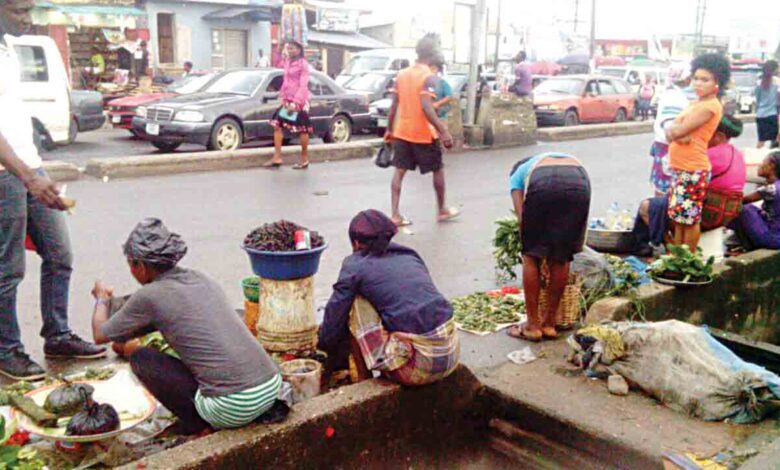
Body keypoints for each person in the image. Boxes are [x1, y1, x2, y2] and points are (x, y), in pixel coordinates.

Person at [90, 218, 281, 435]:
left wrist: (101, 299)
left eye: (131, 265)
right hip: (271, 385)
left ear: (140, 266)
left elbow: (99, 335)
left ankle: (197, 424)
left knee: (142, 358)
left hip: (234, 407)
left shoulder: (150, 295)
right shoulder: (200, 278)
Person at [0, 1, 106, 381]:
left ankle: (57, 335)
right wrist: (28, 177)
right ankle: (7, 350)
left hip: (29, 167)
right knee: (8, 268)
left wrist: (35, 168)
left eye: (30, 9)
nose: (28, 19)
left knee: (60, 254)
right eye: (19, 10)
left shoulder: (9, 48)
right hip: (6, 176)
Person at [318, 210, 459, 386]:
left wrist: (324, 346)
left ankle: (364, 380)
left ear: (356, 243)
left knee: (355, 302)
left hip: (419, 369)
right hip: (451, 353)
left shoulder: (355, 266)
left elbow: (335, 315)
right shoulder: (409, 254)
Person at [506, 152, 591, 341]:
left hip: (544, 182)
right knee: (562, 255)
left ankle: (532, 326)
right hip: (580, 180)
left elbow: (522, 219)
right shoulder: (551, 158)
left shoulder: (517, 175)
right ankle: (549, 324)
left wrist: (533, 249)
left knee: (530, 256)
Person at [634, 114, 747, 254]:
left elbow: (684, 181)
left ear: (719, 136)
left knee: (647, 207)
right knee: (663, 204)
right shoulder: (735, 153)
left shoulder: (708, 155)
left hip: (707, 211)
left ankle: (672, 250)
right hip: (725, 210)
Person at [385, 36, 457, 227]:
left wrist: (389, 130)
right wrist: (443, 131)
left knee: (399, 172)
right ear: (433, 54)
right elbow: (426, 107)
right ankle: (442, 210)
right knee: (437, 169)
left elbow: (394, 106)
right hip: (423, 133)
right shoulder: (429, 76)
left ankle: (395, 215)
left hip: (402, 131)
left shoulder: (401, 74)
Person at [664, 53, 728, 251]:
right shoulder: (696, 103)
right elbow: (670, 132)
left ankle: (688, 258)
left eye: (705, 80)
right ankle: (678, 257)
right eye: (696, 78)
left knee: (689, 219)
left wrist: (676, 132)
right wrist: (676, 133)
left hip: (693, 169)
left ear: (717, 82)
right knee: (679, 217)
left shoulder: (710, 106)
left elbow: (676, 131)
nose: (698, 83)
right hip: (680, 166)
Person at [264, 40, 312, 170]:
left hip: (299, 102)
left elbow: (303, 85)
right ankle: (277, 157)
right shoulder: (287, 62)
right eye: (288, 48)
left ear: (299, 49)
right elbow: (283, 76)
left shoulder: (303, 64)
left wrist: (295, 103)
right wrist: (284, 97)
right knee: (277, 125)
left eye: (292, 48)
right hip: (287, 100)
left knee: (303, 129)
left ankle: (304, 159)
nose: (290, 51)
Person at [650, 66, 693, 196]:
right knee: (667, 191)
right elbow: (670, 128)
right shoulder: (674, 97)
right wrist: (692, 140)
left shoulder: (676, 94)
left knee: (670, 190)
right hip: (670, 148)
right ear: (685, 79)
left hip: (670, 148)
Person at [728, 151, 780, 250]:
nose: (760, 165)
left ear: (771, 166)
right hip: (776, 236)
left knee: (743, 209)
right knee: (753, 209)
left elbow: (743, 200)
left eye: (763, 162)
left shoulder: (771, 189)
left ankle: (745, 245)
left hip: (772, 238)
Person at [755, 62, 779, 149]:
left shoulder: (759, 82)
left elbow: (757, 99)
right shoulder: (777, 81)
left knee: (761, 141)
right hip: (772, 114)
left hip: (760, 115)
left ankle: (756, 155)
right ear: (774, 69)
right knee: (776, 140)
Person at [429, 54, 453, 120]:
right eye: (429, 69)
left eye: (433, 69)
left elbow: (449, 96)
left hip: (440, 116)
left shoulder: (442, 83)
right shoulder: (424, 83)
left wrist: (437, 104)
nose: (431, 71)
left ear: (438, 70)